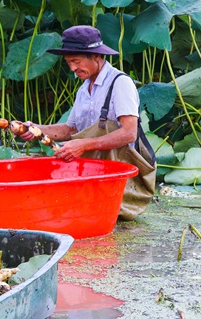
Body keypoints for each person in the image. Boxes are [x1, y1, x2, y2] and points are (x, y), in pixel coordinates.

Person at [18, 25, 156, 220]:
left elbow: (129, 133)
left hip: (121, 174)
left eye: (76, 62)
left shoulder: (120, 83)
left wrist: (82, 145)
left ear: (96, 57)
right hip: (95, 175)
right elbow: (70, 129)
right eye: (68, 63)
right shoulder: (83, 89)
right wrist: (35, 129)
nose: (73, 68)